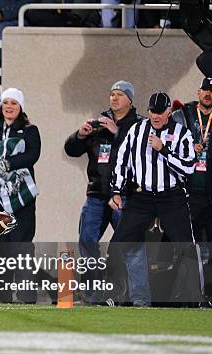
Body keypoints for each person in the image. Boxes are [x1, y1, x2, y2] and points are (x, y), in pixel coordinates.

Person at [110, 92, 199, 305]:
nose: (155, 116)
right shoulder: (137, 130)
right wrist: (116, 190)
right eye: (152, 111)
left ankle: (193, 297)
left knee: (186, 245)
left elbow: (188, 167)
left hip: (171, 196)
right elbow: (122, 160)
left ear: (169, 111)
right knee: (118, 243)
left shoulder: (181, 133)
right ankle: (113, 294)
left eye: (160, 112)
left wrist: (164, 150)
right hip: (143, 196)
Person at [64, 80, 144, 303]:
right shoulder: (99, 123)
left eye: (119, 94)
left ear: (130, 99)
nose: (114, 98)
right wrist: (79, 135)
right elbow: (71, 150)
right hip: (97, 195)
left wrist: (118, 134)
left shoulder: (138, 125)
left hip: (126, 195)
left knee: (129, 246)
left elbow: (139, 156)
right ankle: (91, 296)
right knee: (87, 241)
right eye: (112, 94)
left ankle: (134, 297)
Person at [0, 87, 41, 303]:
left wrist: (9, 164)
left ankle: (25, 295)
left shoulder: (30, 130)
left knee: (21, 244)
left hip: (21, 196)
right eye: (7, 102)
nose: (9, 106)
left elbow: (33, 154)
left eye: (14, 103)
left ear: (21, 107)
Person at [171, 77, 212, 243]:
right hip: (186, 194)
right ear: (198, 91)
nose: (208, 94)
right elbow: (165, 149)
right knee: (188, 250)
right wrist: (188, 150)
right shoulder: (179, 117)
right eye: (205, 89)